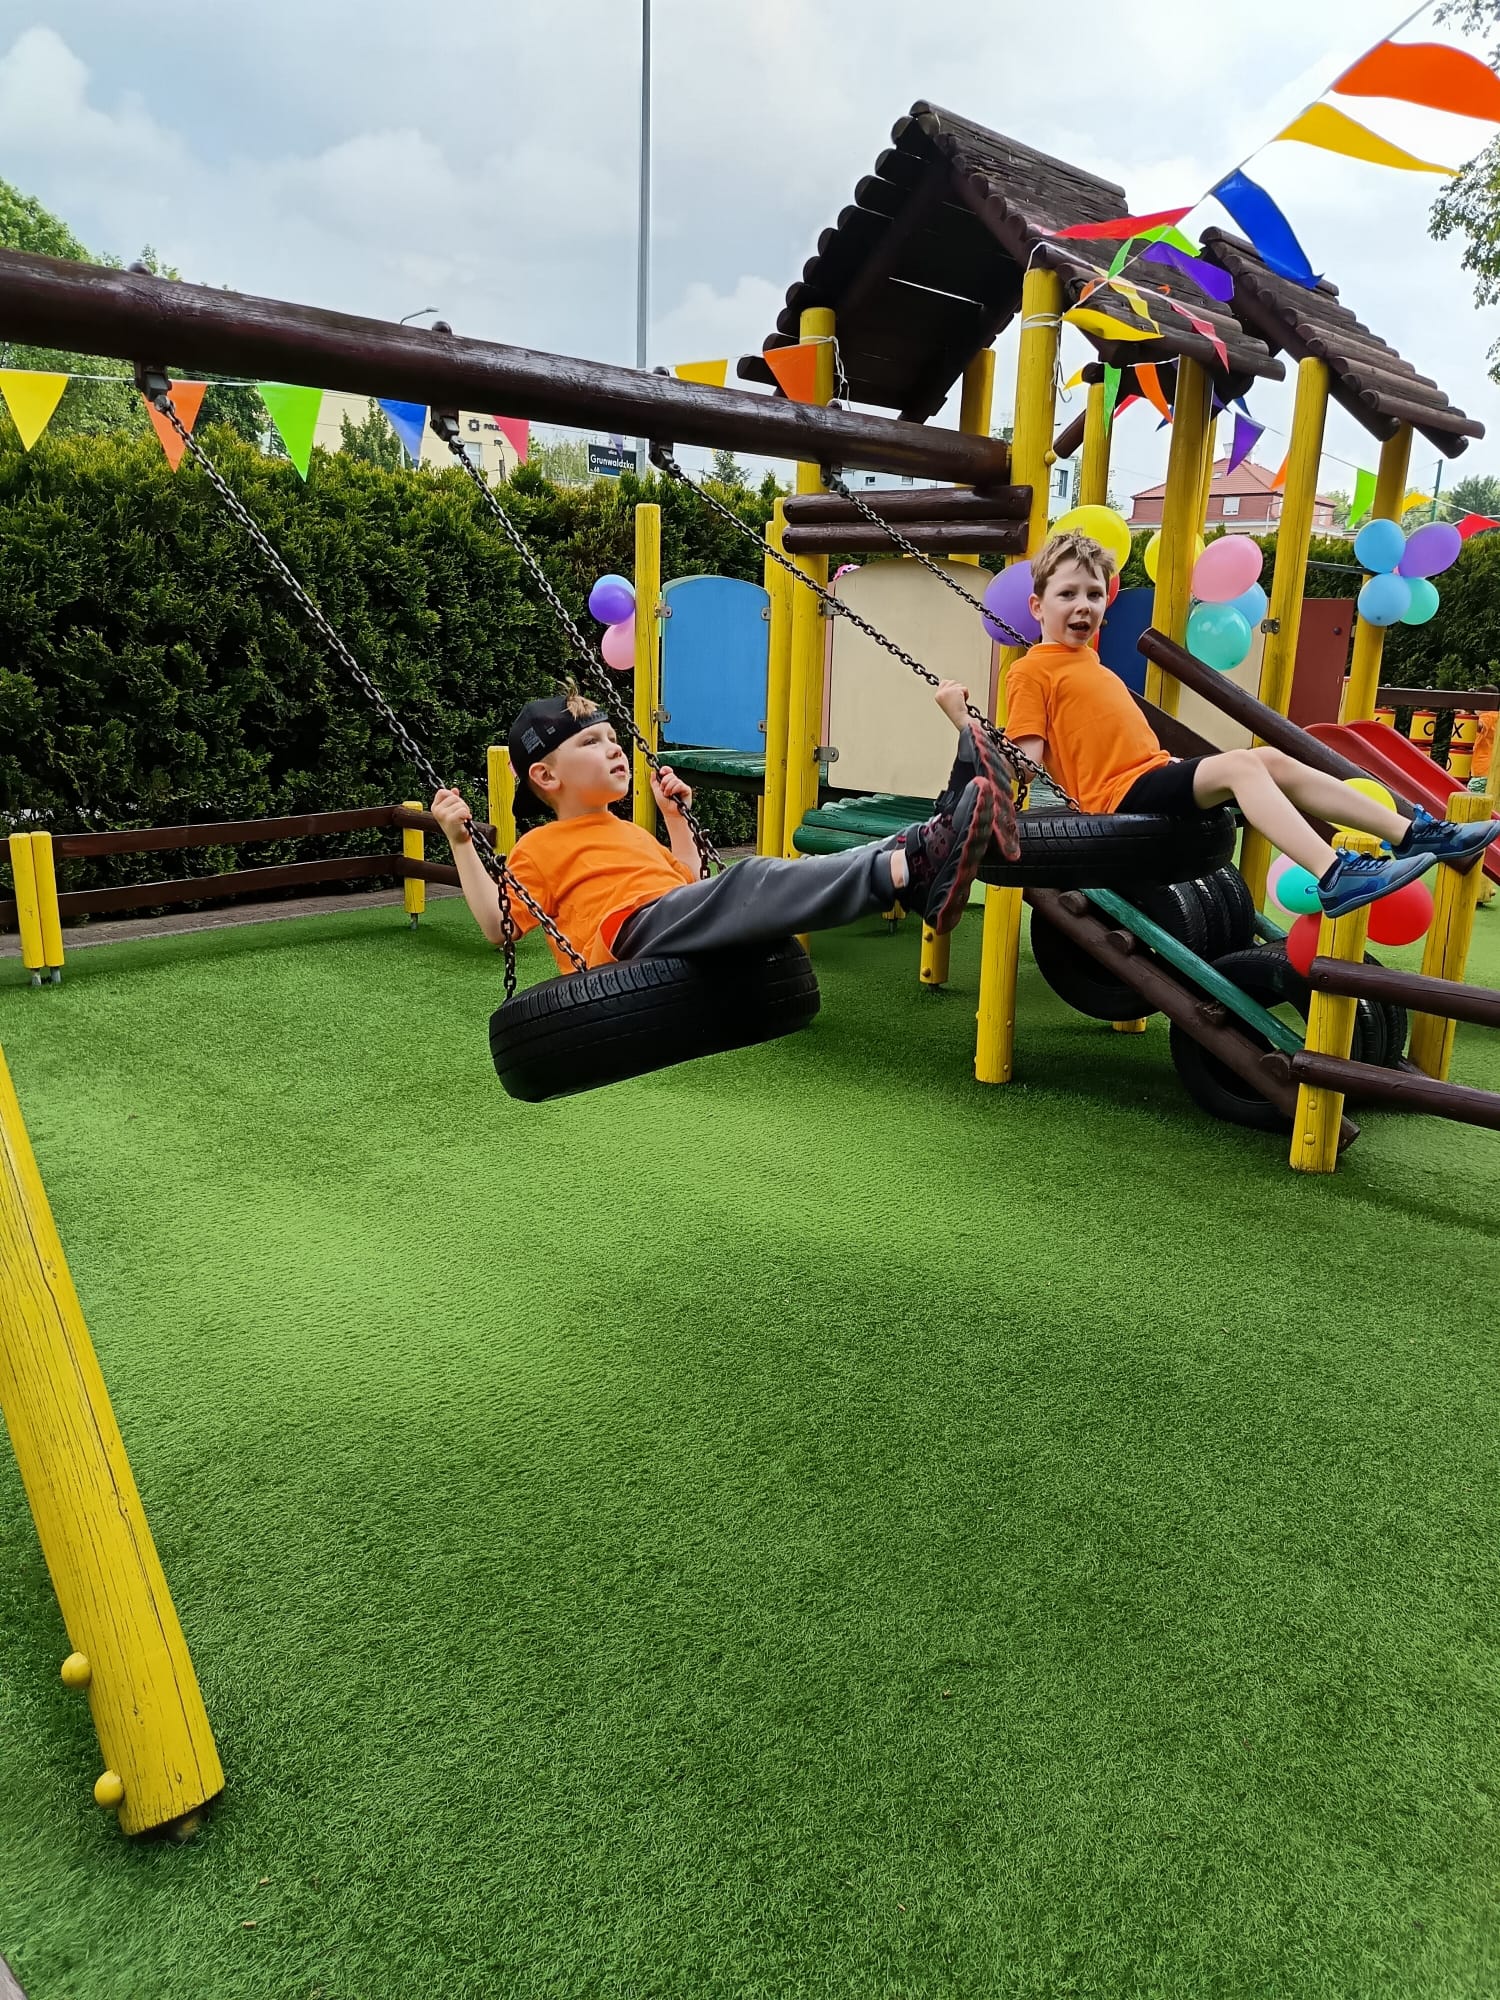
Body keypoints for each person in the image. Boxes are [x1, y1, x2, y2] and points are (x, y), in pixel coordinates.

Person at [986, 530, 1499, 915]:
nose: (1083, 606)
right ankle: (1334, 875)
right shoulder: (1031, 671)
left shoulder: (1093, 665)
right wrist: (980, 743)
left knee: (1270, 758)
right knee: (1241, 767)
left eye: (1094, 595)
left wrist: (1175, 768)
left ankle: (1414, 833)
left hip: (1149, 776)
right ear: (1037, 606)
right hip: (1115, 798)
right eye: (1068, 594)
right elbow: (1028, 760)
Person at [428, 687, 1007, 972]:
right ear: (546, 775)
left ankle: (933, 834)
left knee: (786, 874)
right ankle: (911, 866)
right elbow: (499, 927)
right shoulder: (540, 847)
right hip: (625, 938)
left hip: (665, 918)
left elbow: (687, 881)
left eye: (612, 738)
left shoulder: (629, 832)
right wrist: (460, 842)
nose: (614, 749)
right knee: (751, 878)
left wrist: (674, 818)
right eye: (591, 743)